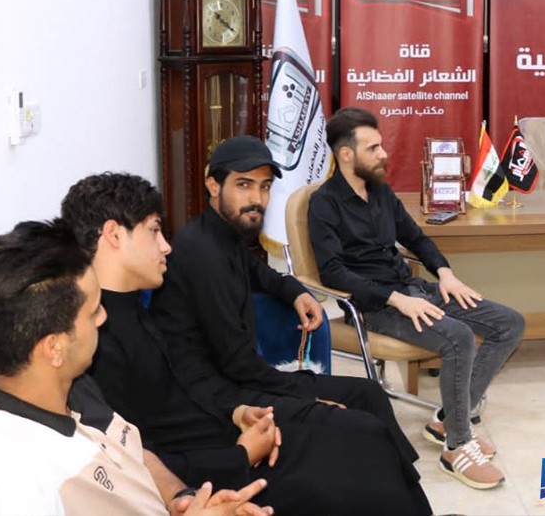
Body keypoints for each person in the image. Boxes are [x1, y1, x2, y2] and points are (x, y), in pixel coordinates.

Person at [60, 172, 433, 515]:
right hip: (214, 469)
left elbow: (188, 385)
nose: (166, 246)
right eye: (155, 231)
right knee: (356, 461)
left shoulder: (134, 307)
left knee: (365, 431)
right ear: (113, 235)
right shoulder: (93, 340)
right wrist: (240, 455)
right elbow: (136, 460)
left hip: (229, 428)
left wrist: (238, 413)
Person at [0, 220, 271, 516]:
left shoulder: (74, 386)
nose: (104, 318)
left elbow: (133, 452)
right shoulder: (4, 477)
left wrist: (182, 499)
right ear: (54, 348)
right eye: (93, 312)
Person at [148, 136, 418, 466]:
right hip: (219, 395)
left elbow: (258, 272)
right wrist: (307, 395)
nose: (256, 199)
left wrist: (296, 292)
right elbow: (236, 362)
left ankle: (404, 477)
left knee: (369, 392)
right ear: (213, 186)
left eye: (264, 187)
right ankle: (396, 478)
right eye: (243, 185)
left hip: (241, 376)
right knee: (355, 422)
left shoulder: (224, 232)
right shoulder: (202, 254)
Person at [308, 107, 525, 490]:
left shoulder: (380, 191)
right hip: (375, 306)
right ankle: (457, 446)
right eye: (373, 148)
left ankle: (447, 421)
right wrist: (395, 299)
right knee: (458, 338)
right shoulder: (324, 203)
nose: (383, 154)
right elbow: (333, 273)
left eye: (381, 145)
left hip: (416, 290)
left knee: (509, 324)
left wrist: (445, 273)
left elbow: (415, 237)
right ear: (346, 154)